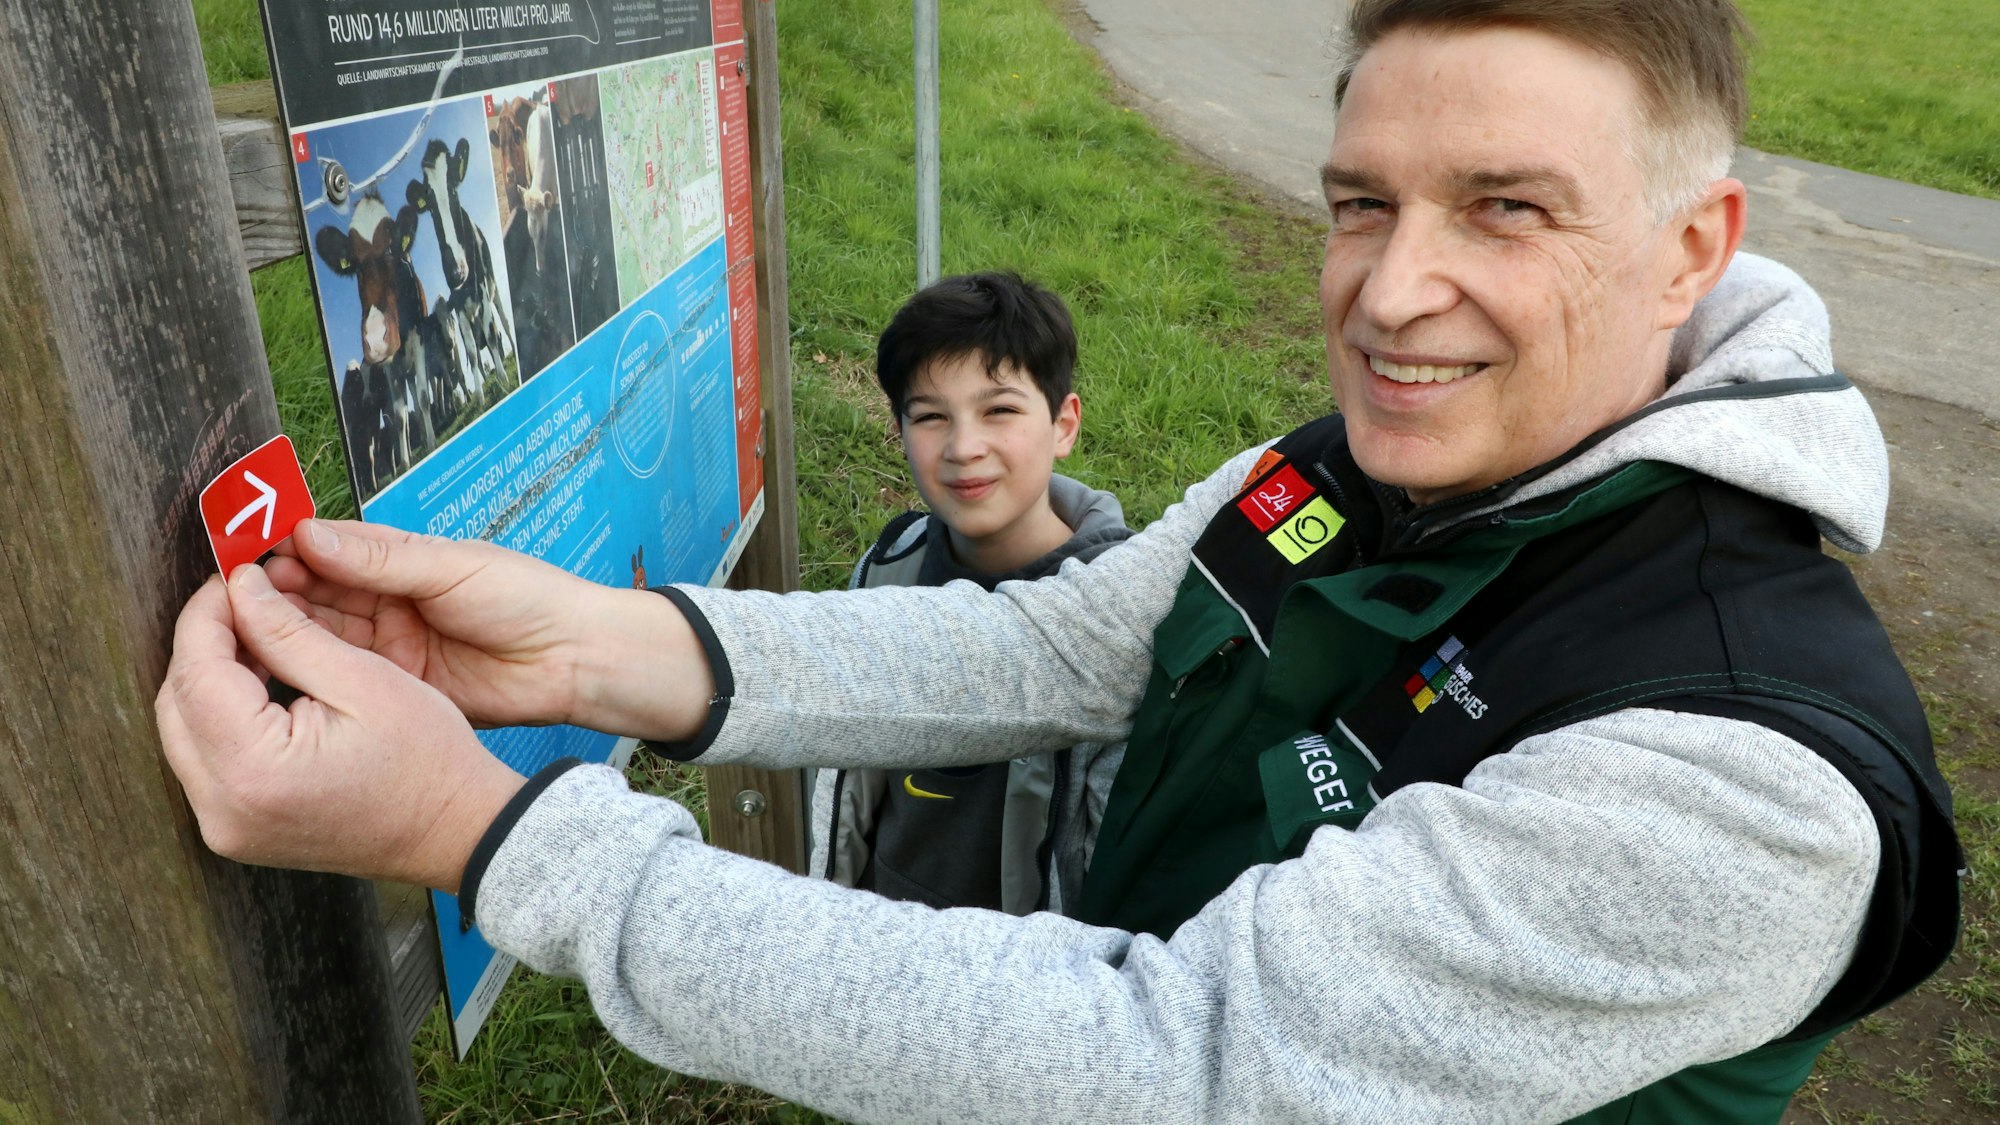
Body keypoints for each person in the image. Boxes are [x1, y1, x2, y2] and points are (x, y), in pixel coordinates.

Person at [156, 1, 1960, 1121]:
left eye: (1507, 206)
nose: (1389, 293)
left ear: (1688, 249)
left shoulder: (1745, 773)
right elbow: (1070, 645)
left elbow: (1174, 1065)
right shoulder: (1345, 470)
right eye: (1357, 200)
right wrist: (597, 651)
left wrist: (486, 840)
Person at [820, 271, 1132, 914]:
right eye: (931, 416)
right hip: (883, 943)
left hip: (1028, 985)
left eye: (1000, 410)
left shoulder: (1122, 611)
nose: (964, 448)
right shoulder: (888, 569)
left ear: (1064, 424)